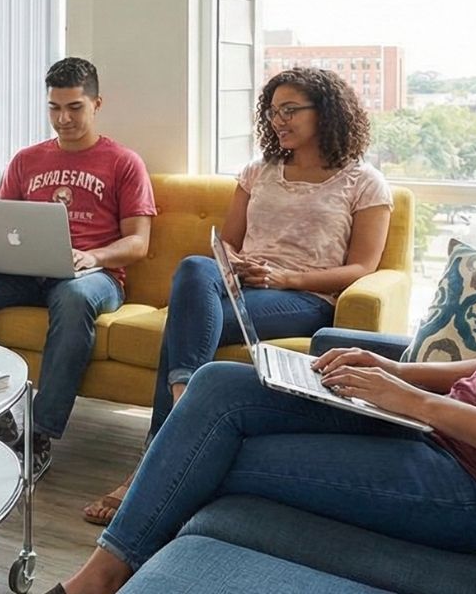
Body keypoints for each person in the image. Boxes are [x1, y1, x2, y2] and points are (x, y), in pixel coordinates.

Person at [49, 55, 476, 594]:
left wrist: (412, 402)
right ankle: (102, 576)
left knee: (213, 455)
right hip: (454, 443)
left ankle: (99, 581)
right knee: (218, 385)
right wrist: (397, 369)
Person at [84, 66, 389, 524]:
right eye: (272, 113)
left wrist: (286, 278)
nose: (278, 121)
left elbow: (362, 267)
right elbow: (225, 244)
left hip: (302, 299)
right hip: (238, 288)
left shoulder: (363, 182)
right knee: (194, 267)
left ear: (325, 112)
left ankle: (150, 464)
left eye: (289, 111)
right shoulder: (257, 172)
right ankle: (186, 397)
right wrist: (235, 265)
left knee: (183, 328)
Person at [0, 57, 156, 475]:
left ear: (97, 103)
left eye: (74, 107)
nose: (63, 119)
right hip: (29, 272)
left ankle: (39, 432)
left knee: (73, 295)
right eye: (54, 108)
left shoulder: (123, 162)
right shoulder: (26, 161)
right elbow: (1, 221)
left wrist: (93, 256)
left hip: (95, 277)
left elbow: (139, 242)